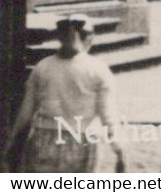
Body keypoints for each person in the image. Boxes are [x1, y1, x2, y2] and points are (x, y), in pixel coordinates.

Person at [4, 14, 124, 173]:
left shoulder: (42, 67)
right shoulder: (98, 70)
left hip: (44, 139)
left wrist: (13, 141)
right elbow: (107, 113)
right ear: (89, 38)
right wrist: (118, 147)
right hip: (83, 139)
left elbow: (26, 112)